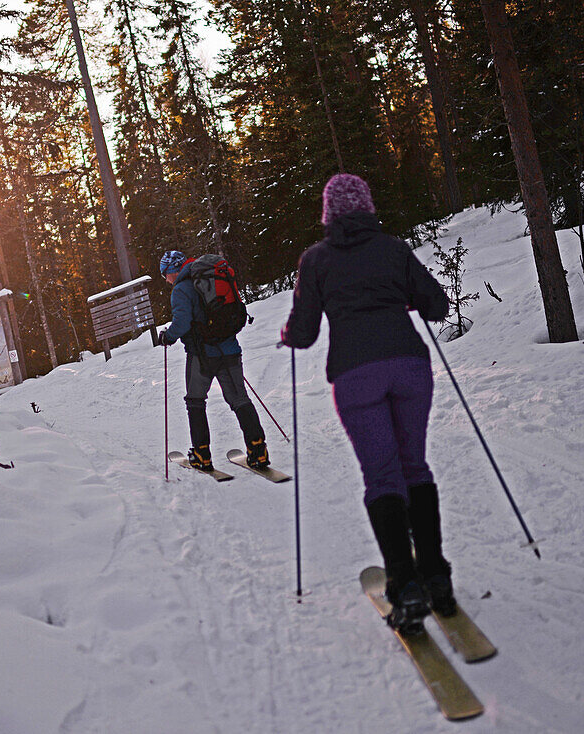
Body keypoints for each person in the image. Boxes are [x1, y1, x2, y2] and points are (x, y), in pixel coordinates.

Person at [280, 173, 452, 633]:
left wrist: (286, 337)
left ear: (329, 214)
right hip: (409, 366)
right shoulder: (394, 249)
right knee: (414, 466)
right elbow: (436, 306)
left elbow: (305, 332)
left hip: (356, 374)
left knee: (382, 475)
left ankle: (406, 586)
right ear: (368, 207)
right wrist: (398, 298)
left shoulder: (316, 260)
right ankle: (437, 578)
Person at [158, 250, 269, 472]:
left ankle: (202, 455)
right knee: (239, 399)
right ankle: (259, 452)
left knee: (195, 402)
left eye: (165, 274)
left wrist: (167, 337)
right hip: (229, 349)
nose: (166, 280)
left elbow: (182, 323)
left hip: (202, 355)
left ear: (172, 270)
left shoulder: (181, 289)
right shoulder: (211, 278)